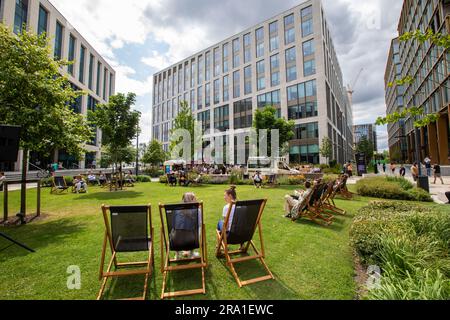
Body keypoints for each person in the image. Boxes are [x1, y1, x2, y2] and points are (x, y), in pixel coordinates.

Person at [173, 192, 202, 260]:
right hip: (192, 240)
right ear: (192, 200)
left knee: (176, 229)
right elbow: (200, 224)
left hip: (177, 241)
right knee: (198, 228)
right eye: (195, 198)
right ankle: (191, 253)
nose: (196, 199)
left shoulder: (177, 210)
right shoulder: (197, 211)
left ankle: (177, 255)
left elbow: (173, 224)